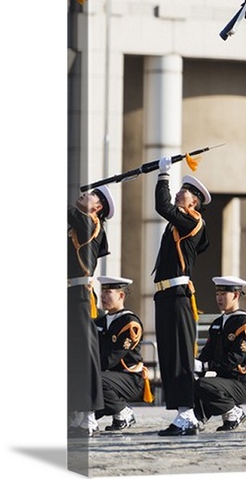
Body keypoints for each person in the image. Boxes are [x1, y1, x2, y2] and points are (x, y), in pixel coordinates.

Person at [152, 158, 212, 437]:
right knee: (169, 354)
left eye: (184, 191)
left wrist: (163, 175)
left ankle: (187, 414)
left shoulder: (191, 221)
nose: (178, 192)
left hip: (178, 295)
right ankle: (182, 414)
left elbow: (162, 206)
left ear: (194, 203)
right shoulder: (184, 224)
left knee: (179, 355)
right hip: (166, 294)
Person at [67, 185, 116, 437]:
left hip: (80, 297)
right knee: (72, 356)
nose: (85, 194)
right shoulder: (79, 224)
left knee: (86, 357)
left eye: (92, 195)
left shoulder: (90, 224)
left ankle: (88, 414)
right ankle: (75, 411)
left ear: (97, 208)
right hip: (69, 296)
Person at [192, 276, 246, 433]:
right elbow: (208, 352)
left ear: (235, 295)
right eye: (217, 294)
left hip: (240, 381)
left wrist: (206, 366)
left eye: (223, 294)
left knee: (203, 385)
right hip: (223, 380)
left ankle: (233, 412)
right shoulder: (218, 322)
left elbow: (234, 358)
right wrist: (195, 365)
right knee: (191, 380)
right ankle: (198, 417)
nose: (219, 298)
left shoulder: (244, 323)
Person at [94, 275, 150, 433]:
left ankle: (123, 412)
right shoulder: (99, 322)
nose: (103, 296)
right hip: (108, 376)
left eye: (108, 292)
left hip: (130, 379)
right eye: (102, 292)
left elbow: (111, 359)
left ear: (121, 295)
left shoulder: (129, 323)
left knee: (92, 379)